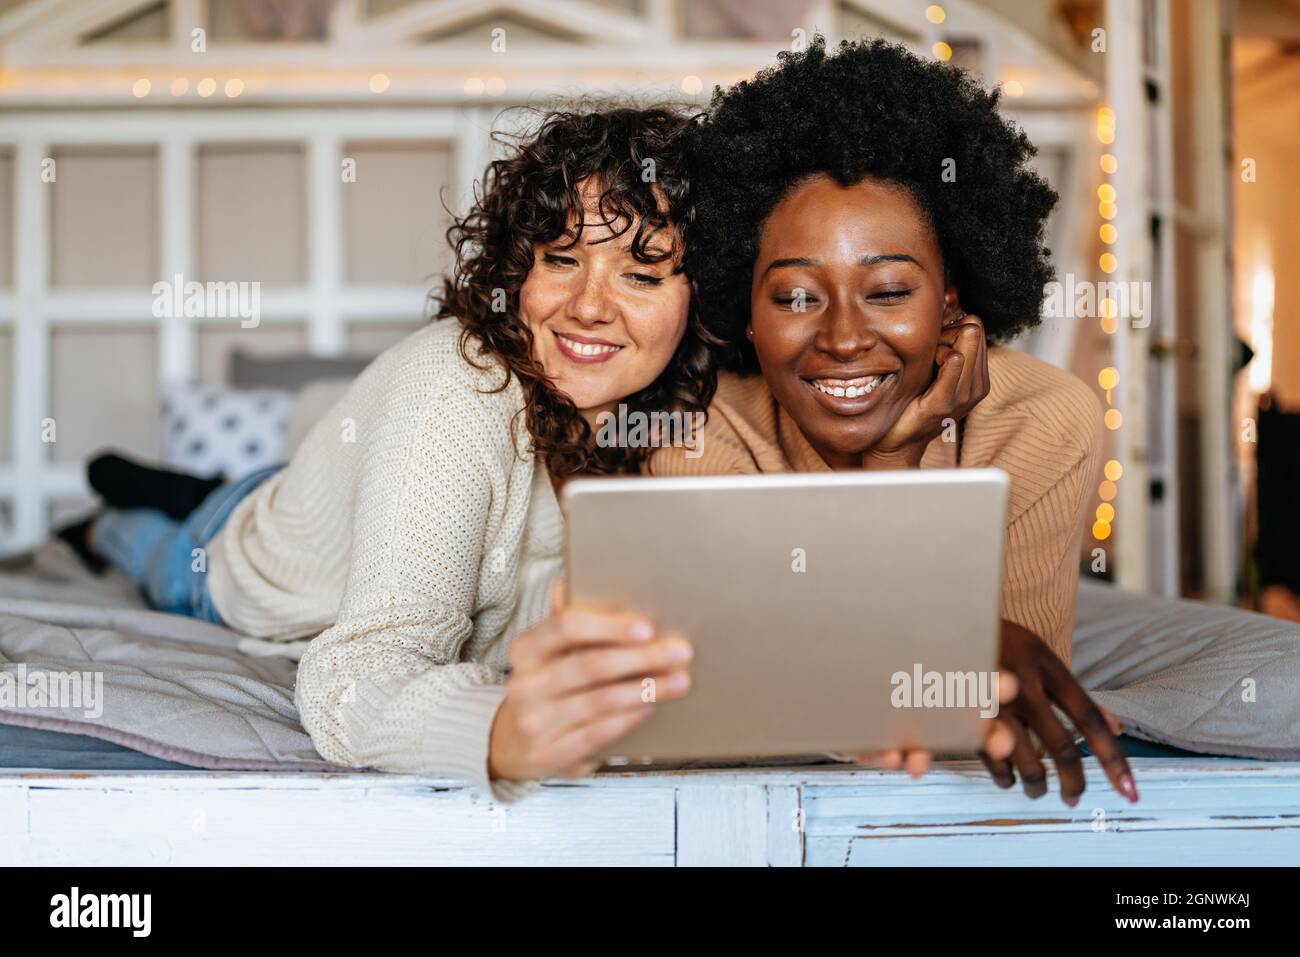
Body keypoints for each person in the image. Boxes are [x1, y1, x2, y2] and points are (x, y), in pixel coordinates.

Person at [64, 108, 714, 801]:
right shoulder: (452, 393)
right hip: (244, 547)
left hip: (323, 490)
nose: (589, 307)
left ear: (700, 296)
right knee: (155, 551)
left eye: (641, 276)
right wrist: (501, 731)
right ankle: (111, 517)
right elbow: (354, 679)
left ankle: (191, 485)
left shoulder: (671, 416)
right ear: (519, 267)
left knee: (236, 488)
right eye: (561, 258)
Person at [649, 37, 1137, 806]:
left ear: (951, 299)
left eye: (887, 291)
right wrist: (895, 454)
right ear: (745, 309)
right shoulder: (698, 433)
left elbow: (1000, 704)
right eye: (794, 297)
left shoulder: (1043, 418)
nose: (843, 337)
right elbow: (768, 693)